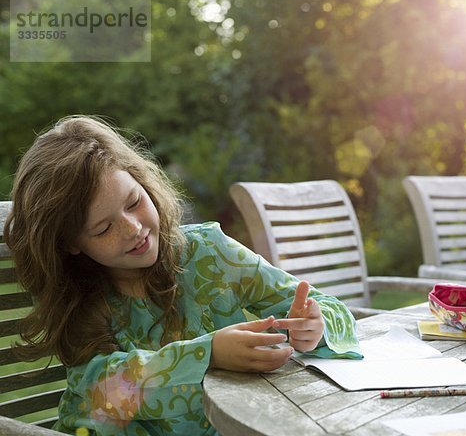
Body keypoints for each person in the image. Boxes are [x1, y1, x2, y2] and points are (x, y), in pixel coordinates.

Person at [4, 116, 362, 435]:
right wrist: (208, 355)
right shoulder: (81, 296)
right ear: (72, 244)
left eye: (133, 202)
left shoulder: (210, 252)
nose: (133, 228)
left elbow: (329, 307)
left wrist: (314, 327)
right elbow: (100, 387)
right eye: (102, 228)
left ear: (143, 182)